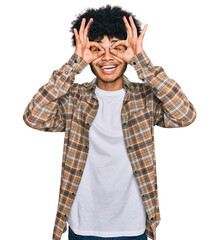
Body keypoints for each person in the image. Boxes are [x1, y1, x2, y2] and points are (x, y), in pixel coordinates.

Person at [23, 5, 197, 240]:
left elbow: (184, 114)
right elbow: (34, 117)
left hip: (133, 225)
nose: (106, 57)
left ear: (130, 50)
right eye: (96, 49)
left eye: (118, 48)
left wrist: (141, 62)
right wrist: (74, 64)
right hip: (83, 224)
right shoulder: (74, 98)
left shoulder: (144, 97)